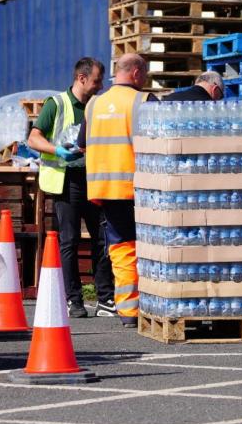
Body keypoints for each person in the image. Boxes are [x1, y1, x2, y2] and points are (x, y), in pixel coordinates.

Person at [26, 57, 116, 318]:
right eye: (97, 80)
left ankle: (105, 298)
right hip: (67, 180)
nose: (100, 86)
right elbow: (33, 138)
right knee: (70, 240)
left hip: (94, 179)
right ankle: (73, 299)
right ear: (81, 78)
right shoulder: (57, 104)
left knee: (102, 239)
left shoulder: (97, 106)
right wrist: (57, 151)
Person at [79, 53, 155, 328]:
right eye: (144, 74)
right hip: (138, 188)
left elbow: (83, 144)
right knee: (151, 247)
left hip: (103, 188)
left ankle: (128, 310)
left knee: (121, 247)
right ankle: (147, 305)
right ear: (136, 73)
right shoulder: (142, 101)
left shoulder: (94, 104)